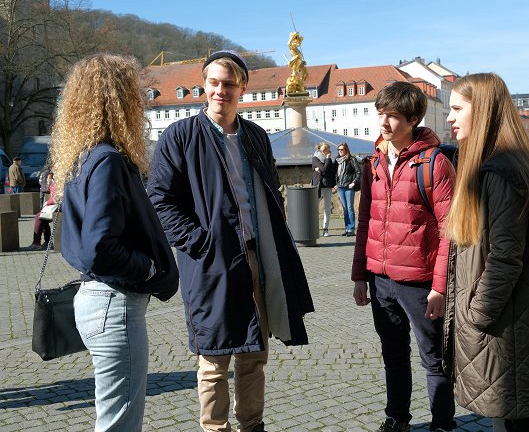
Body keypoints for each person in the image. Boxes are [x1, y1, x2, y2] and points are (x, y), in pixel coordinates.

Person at [147, 50, 315, 432]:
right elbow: (159, 197)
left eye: (228, 84)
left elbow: (270, 190)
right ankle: (215, 428)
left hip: (259, 256)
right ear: (204, 87)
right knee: (214, 357)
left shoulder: (255, 136)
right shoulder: (181, 136)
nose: (221, 90)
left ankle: (252, 424)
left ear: (242, 87)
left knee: (255, 351)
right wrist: (199, 243)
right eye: (214, 83)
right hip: (211, 261)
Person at [50, 54, 179, 431]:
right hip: (114, 305)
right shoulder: (106, 160)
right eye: (134, 94)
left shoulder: (83, 157)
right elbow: (98, 247)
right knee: (119, 424)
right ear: (119, 100)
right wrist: (149, 268)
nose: (141, 102)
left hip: (98, 302)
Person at [445, 73, 529, 432]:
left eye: (457, 109)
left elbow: (505, 258)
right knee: (516, 416)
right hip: (514, 320)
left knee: (518, 419)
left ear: (481, 110)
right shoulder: (515, 164)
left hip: (504, 327)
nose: (450, 118)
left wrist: (476, 314)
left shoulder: (499, 173)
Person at [351, 81, 457, 432]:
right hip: (381, 280)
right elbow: (365, 219)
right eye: (380, 114)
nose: (383, 122)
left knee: (434, 360)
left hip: (420, 283)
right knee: (393, 356)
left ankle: (442, 424)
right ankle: (397, 419)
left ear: (413, 119)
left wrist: (439, 287)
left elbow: (450, 231)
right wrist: (360, 276)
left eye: (393, 116)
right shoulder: (374, 162)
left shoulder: (435, 164)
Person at [335, 142, 361, 237]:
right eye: (338, 150)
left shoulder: (351, 159)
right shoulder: (337, 160)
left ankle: (351, 229)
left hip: (348, 187)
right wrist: (336, 184)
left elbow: (358, 172)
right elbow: (336, 174)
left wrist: (353, 182)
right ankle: (346, 228)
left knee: (350, 208)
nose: (340, 151)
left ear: (346, 150)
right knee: (345, 209)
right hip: (340, 187)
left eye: (342, 149)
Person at [312, 142, 336, 237]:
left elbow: (329, 172)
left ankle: (325, 229)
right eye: (327, 150)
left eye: (329, 150)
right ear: (322, 151)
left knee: (327, 208)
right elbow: (325, 169)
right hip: (318, 185)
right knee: (315, 208)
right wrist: (326, 161)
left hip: (328, 185)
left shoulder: (329, 159)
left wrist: (321, 170)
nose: (329, 152)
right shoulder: (315, 158)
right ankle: (314, 228)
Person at [28, 172, 55, 250]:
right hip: (54, 205)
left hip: (57, 207)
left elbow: (55, 198)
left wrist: (47, 204)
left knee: (38, 217)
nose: (47, 180)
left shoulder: (55, 184)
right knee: (43, 219)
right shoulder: (53, 184)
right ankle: (47, 242)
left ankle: (37, 243)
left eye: (48, 178)